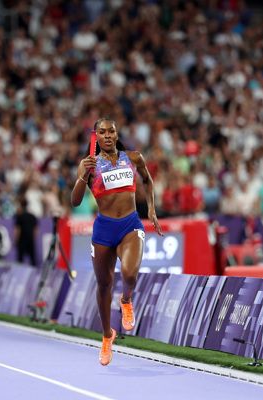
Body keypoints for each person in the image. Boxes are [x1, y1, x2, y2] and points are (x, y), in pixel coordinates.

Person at [70, 118, 163, 366]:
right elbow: (75, 202)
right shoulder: (89, 164)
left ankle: (126, 300)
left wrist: (151, 210)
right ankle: (106, 335)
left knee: (130, 273)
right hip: (104, 229)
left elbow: (147, 180)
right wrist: (83, 176)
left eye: (111, 131)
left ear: (116, 133)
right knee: (104, 285)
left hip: (130, 225)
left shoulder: (133, 157)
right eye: (102, 132)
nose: (108, 135)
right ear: (96, 136)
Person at [14, 199, 38, 266]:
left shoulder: (19, 217)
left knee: (20, 259)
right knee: (32, 258)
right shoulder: (32, 216)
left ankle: (19, 272)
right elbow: (35, 230)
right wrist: (33, 238)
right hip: (30, 239)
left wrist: (16, 240)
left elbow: (18, 229)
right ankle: (35, 272)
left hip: (22, 239)